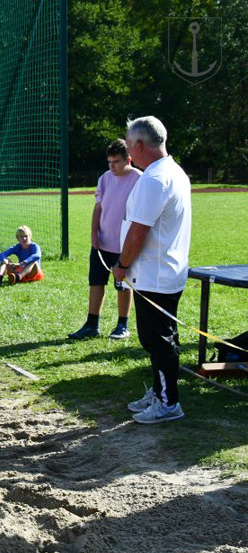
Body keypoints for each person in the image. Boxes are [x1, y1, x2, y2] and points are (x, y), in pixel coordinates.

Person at [114, 116, 192, 424]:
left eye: (130, 144)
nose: (129, 151)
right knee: (157, 338)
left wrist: (121, 265)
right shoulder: (172, 172)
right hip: (162, 271)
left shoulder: (155, 179)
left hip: (155, 274)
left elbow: (138, 232)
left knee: (157, 340)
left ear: (139, 145)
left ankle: (167, 401)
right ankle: (161, 392)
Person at [69, 139, 142, 340]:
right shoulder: (105, 178)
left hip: (124, 245)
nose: (112, 166)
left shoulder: (139, 179)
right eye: (109, 162)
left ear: (128, 160)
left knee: (123, 284)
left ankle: (122, 325)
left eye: (116, 161)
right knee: (96, 282)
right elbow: (98, 207)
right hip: (102, 243)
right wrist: (94, 233)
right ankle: (92, 324)